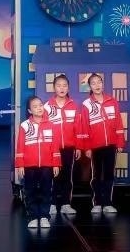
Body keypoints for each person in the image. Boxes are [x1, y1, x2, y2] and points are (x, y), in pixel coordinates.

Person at [76, 73, 125, 214]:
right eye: (93, 83)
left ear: (103, 84)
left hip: (111, 144)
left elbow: (118, 122)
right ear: (89, 87)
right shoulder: (86, 104)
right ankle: (97, 202)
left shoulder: (112, 101)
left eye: (99, 82)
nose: (97, 85)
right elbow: (84, 127)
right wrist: (87, 147)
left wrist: (120, 143)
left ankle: (107, 203)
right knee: (97, 175)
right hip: (95, 146)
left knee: (109, 174)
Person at [15, 96, 60, 229]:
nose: (39, 108)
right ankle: (33, 217)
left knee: (46, 190)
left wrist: (56, 163)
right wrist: (20, 164)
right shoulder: (24, 125)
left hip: (47, 165)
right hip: (29, 166)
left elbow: (55, 146)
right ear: (30, 110)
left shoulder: (51, 125)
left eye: (40, 105)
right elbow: (20, 147)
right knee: (30, 191)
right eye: (35, 106)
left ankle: (45, 216)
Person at [44, 74, 79, 215]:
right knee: (53, 176)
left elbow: (77, 128)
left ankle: (66, 204)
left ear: (68, 88)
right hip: (53, 149)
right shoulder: (47, 107)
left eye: (65, 85)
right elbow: (44, 128)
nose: (62, 88)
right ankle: (52, 204)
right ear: (54, 88)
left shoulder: (73, 105)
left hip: (69, 148)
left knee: (67, 176)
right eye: (59, 85)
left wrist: (78, 147)